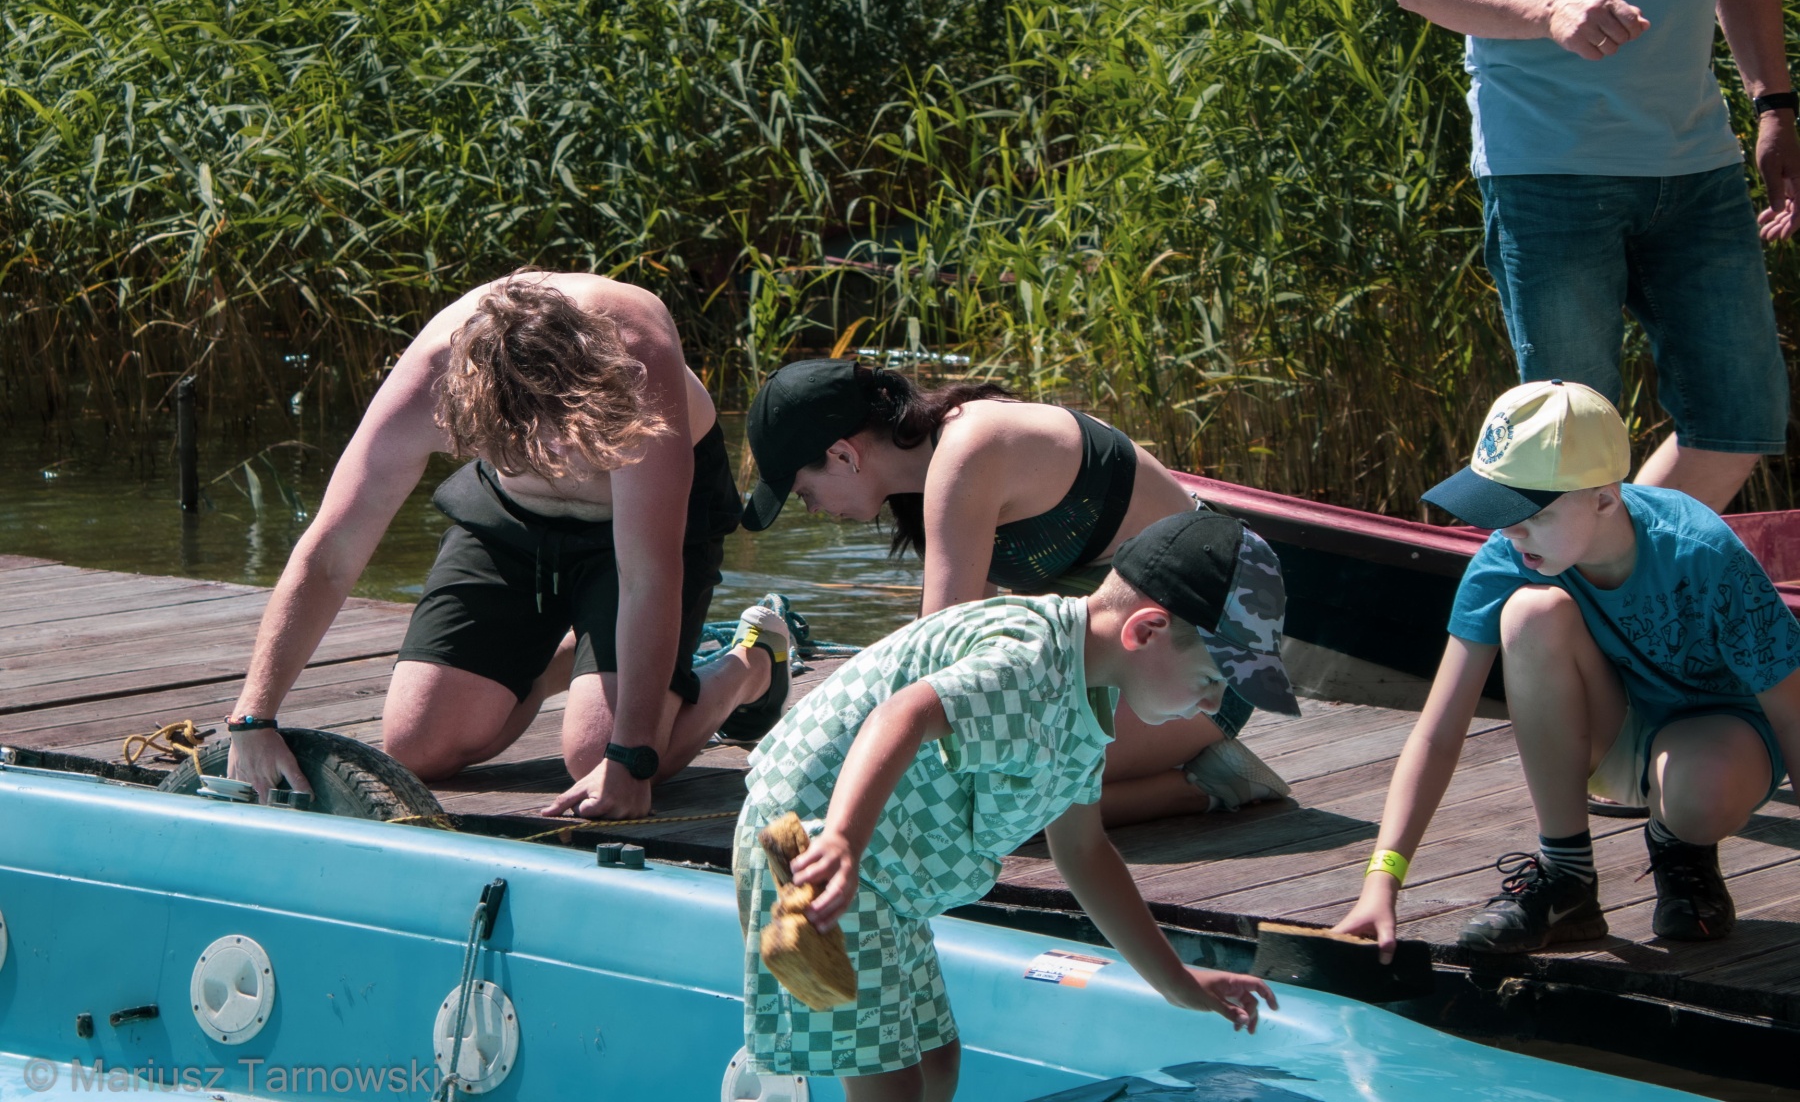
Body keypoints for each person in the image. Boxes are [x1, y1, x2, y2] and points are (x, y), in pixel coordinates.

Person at [735, 510, 1288, 1098]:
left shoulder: (1088, 696)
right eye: (1210, 679)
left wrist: (1176, 982)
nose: (1212, 705)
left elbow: (1083, 850)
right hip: (815, 851)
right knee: (892, 1084)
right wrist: (844, 838)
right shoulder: (1027, 663)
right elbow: (904, 714)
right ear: (1146, 630)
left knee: (937, 1062)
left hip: (887, 877)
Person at [223, 271, 792, 820]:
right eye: (537, 436)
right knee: (419, 745)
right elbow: (330, 553)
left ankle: (750, 665)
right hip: (511, 515)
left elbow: (648, 575)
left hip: (646, 522)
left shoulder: (638, 356)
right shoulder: (430, 378)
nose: (561, 454)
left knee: (598, 755)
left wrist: (632, 759)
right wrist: (253, 718)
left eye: (572, 429)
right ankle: (561, 660)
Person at [1335, 380, 1800, 958]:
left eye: (1529, 513)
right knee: (1529, 613)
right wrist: (1381, 881)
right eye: (1497, 511)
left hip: (1723, 740)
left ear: (1604, 499)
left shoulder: (1700, 550)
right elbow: (1438, 730)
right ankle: (1566, 876)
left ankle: (1680, 849)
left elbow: (1792, 716)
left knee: (1697, 796)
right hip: (1611, 732)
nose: (1510, 532)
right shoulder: (1508, 555)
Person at [738, 359, 1299, 827]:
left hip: (1207, 674)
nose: (812, 508)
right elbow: (960, 644)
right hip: (1148, 670)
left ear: (843, 454)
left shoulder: (969, 450)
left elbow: (936, 655)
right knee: (951, 781)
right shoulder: (943, 458)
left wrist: (838, 749)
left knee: (975, 803)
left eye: (803, 491)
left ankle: (1199, 787)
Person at [1391, 0, 1797, 512]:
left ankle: (1621, 562)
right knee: (1570, 450)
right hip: (1546, 167)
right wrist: (1550, 9)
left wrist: (1775, 107)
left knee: (1739, 424)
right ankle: (1563, 566)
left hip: (1699, 161)